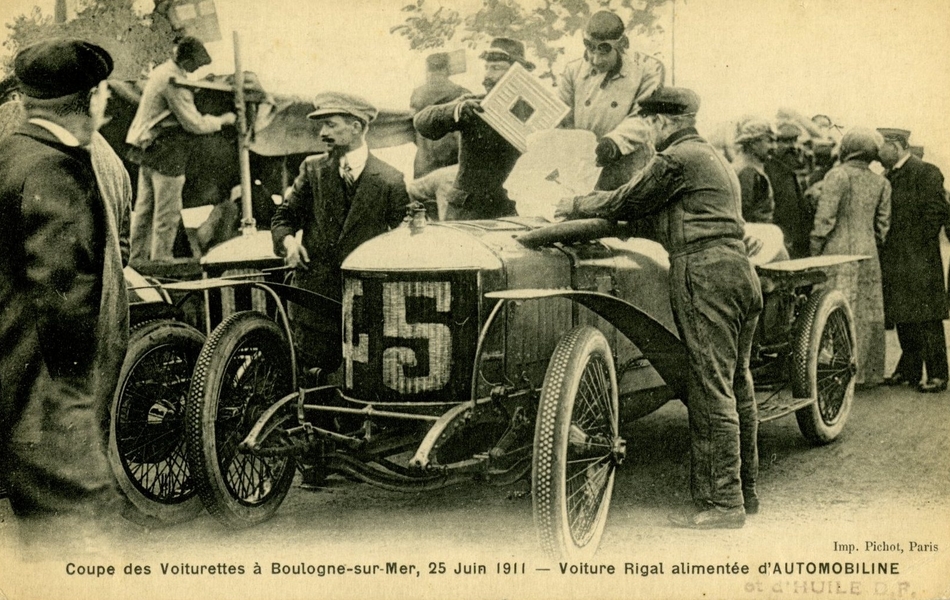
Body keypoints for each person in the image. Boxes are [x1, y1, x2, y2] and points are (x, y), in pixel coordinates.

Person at [555, 87, 763, 528]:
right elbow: (648, 217)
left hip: (703, 273)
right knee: (735, 383)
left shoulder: (676, 159)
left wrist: (572, 205)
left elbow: (625, 200)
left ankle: (723, 505)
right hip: (739, 273)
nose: (648, 134)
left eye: (649, 124)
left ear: (663, 123)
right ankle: (745, 491)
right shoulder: (712, 161)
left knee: (709, 389)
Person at [0, 38, 129, 553]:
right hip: (47, 399)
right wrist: (72, 416)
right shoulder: (59, 167)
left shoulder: (9, 150)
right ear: (92, 96)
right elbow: (64, 304)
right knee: (79, 542)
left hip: (13, 382)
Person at [271, 92, 410, 376]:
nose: (323, 133)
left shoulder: (390, 179)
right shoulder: (312, 169)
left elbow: (403, 238)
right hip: (315, 302)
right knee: (312, 386)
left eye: (331, 125)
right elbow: (284, 216)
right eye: (322, 126)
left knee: (362, 385)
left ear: (356, 126)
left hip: (368, 305)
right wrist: (288, 243)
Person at [126, 36, 236, 262]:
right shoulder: (174, 80)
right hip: (166, 152)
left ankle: (134, 260)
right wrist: (223, 120)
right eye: (196, 65)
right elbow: (193, 123)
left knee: (144, 211)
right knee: (168, 212)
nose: (196, 70)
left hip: (147, 148)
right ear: (187, 60)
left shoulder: (162, 71)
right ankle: (161, 263)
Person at [413, 37, 530, 221]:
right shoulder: (472, 105)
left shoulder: (535, 114)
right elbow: (422, 123)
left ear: (518, 74)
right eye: (487, 67)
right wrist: (456, 110)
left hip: (508, 210)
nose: (488, 75)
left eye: (496, 68)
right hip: (466, 210)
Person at [810, 128, 891, 386]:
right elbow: (883, 226)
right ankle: (866, 373)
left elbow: (825, 219)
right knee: (866, 311)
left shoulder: (838, 175)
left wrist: (815, 247)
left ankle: (831, 369)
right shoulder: (882, 182)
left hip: (837, 252)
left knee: (833, 307)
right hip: (868, 253)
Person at [557, 10, 666, 190]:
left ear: (621, 45)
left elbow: (645, 117)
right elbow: (562, 116)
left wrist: (614, 143)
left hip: (629, 169)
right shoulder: (573, 70)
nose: (595, 60)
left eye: (604, 52)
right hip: (583, 168)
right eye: (590, 49)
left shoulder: (648, 69)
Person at [877, 128, 949, 392]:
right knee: (903, 313)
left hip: (919, 257)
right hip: (898, 256)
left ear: (895, 145)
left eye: (880, 145)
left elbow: (936, 211)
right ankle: (909, 371)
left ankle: (938, 374)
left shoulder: (926, 171)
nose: (876, 152)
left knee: (927, 316)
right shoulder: (889, 175)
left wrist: (916, 245)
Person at [410, 52, 470, 179]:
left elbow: (413, 126)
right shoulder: (462, 93)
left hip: (424, 160)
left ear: (427, 68)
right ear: (447, 69)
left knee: (422, 194)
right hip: (452, 158)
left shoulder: (417, 93)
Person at [765, 122, 812, 258]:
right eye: (785, 141)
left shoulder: (790, 170)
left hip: (796, 240)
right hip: (779, 241)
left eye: (795, 140)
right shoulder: (768, 170)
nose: (793, 146)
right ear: (773, 143)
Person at [733, 117, 776, 223]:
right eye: (769, 141)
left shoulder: (747, 168)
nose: (774, 147)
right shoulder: (748, 172)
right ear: (753, 143)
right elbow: (745, 215)